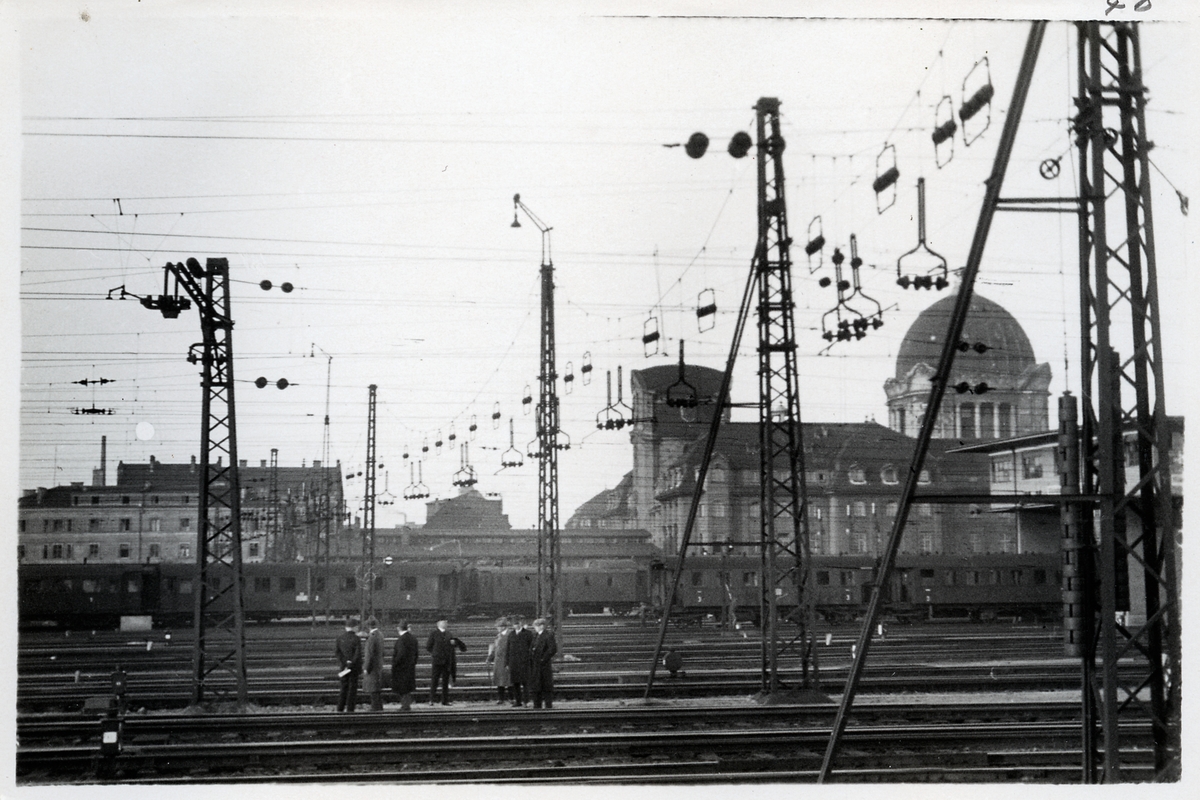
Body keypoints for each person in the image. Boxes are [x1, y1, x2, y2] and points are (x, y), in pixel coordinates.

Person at [426, 619, 465, 705]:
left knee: (445, 681)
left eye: (446, 623)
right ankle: (431, 699)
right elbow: (428, 646)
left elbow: (454, 645)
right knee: (434, 680)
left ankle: (444, 700)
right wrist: (436, 653)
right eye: (444, 622)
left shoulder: (449, 634)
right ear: (439, 624)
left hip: (447, 661)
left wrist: (454, 644)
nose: (446, 624)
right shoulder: (434, 634)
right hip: (437, 661)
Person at [334, 616, 363, 713]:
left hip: (343, 667)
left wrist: (344, 662)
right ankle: (350, 709)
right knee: (352, 689)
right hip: (353, 668)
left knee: (343, 688)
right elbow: (358, 654)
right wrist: (351, 662)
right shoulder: (356, 639)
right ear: (354, 627)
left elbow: (337, 653)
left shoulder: (340, 638)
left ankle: (340, 708)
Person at [529, 617, 557, 709]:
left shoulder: (548, 635)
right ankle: (537, 705)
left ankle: (548, 705)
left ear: (542, 626)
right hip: (535, 664)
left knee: (546, 686)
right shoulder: (536, 636)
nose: (535, 628)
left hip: (544, 665)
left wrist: (543, 659)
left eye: (536, 626)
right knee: (536, 686)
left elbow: (552, 649)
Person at [390, 620, 418, 711]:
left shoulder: (401, 640)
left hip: (401, 668)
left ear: (399, 628)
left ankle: (405, 705)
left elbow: (400, 654)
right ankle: (406, 705)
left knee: (403, 688)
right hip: (410, 667)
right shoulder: (413, 638)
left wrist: (395, 664)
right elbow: (416, 654)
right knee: (407, 687)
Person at [484, 617, 512, 704]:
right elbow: (495, 648)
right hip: (498, 661)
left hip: (506, 661)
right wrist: (490, 658)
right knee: (499, 680)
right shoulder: (498, 636)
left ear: (503, 627)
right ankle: (501, 699)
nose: (497, 628)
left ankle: (511, 698)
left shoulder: (510, 635)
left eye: (498, 627)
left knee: (509, 680)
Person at [507, 615, 533, 707]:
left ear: (521, 623)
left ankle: (526, 701)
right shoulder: (511, 634)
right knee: (515, 683)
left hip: (524, 662)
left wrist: (530, 660)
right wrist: (507, 663)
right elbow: (508, 649)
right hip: (514, 663)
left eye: (517, 623)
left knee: (525, 683)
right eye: (514, 624)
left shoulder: (528, 634)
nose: (516, 625)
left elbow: (531, 647)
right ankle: (518, 701)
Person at [362, 617, 385, 711]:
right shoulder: (380, 635)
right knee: (376, 688)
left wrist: (366, 668)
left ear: (368, 626)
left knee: (373, 689)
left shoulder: (372, 637)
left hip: (372, 667)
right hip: (378, 665)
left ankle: (375, 708)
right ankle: (378, 707)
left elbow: (369, 654)